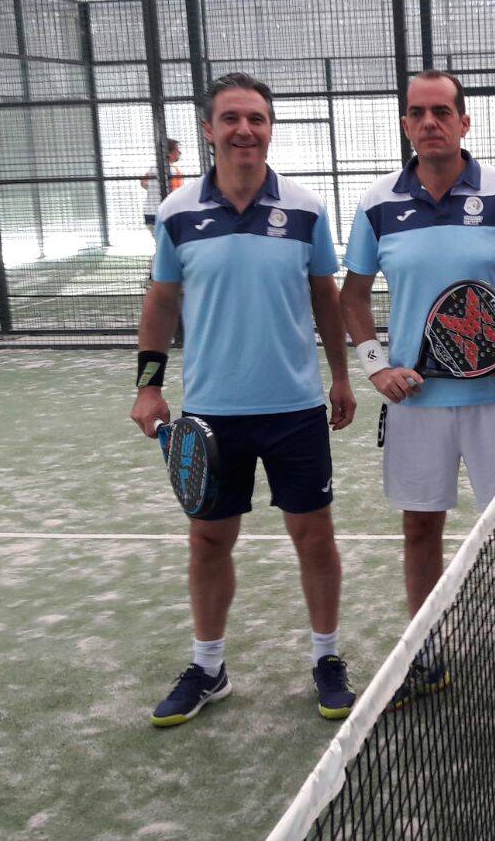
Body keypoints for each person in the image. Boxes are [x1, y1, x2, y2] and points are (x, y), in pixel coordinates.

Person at [129, 73, 357, 727]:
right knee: (208, 540)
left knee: (314, 536)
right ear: (209, 129)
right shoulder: (177, 213)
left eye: (256, 119)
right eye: (230, 118)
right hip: (210, 412)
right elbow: (161, 301)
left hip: (294, 409)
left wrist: (340, 377)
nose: (244, 130)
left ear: (270, 129)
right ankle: (209, 668)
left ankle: (327, 658)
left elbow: (325, 297)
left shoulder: (306, 209)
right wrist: (148, 385)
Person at [338, 70, 495, 707]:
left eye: (442, 111)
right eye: (418, 112)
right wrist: (376, 365)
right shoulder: (377, 205)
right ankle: (425, 655)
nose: (430, 122)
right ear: (406, 124)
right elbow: (352, 297)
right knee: (420, 529)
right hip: (416, 402)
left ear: (464, 122)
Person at [141, 138, 184, 232]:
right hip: (166, 215)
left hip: (149, 214)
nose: (179, 152)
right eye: (177, 150)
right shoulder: (174, 171)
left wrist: (154, 188)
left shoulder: (153, 168)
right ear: (169, 153)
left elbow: (143, 183)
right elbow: (178, 194)